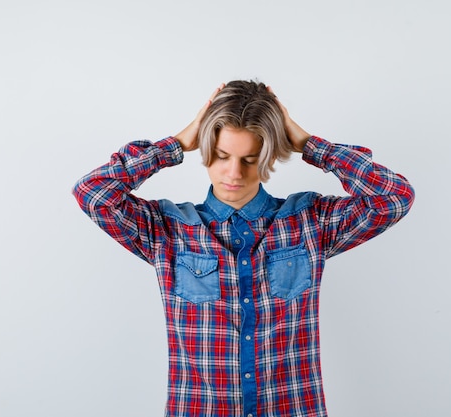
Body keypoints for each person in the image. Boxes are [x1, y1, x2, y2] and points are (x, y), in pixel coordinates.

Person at [72, 80, 415, 417]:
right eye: (221, 156)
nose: (233, 173)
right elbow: (92, 192)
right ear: (206, 151)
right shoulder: (166, 228)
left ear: (269, 157)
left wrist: (309, 144)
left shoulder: (311, 223)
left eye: (249, 159)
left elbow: (394, 198)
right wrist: (175, 144)